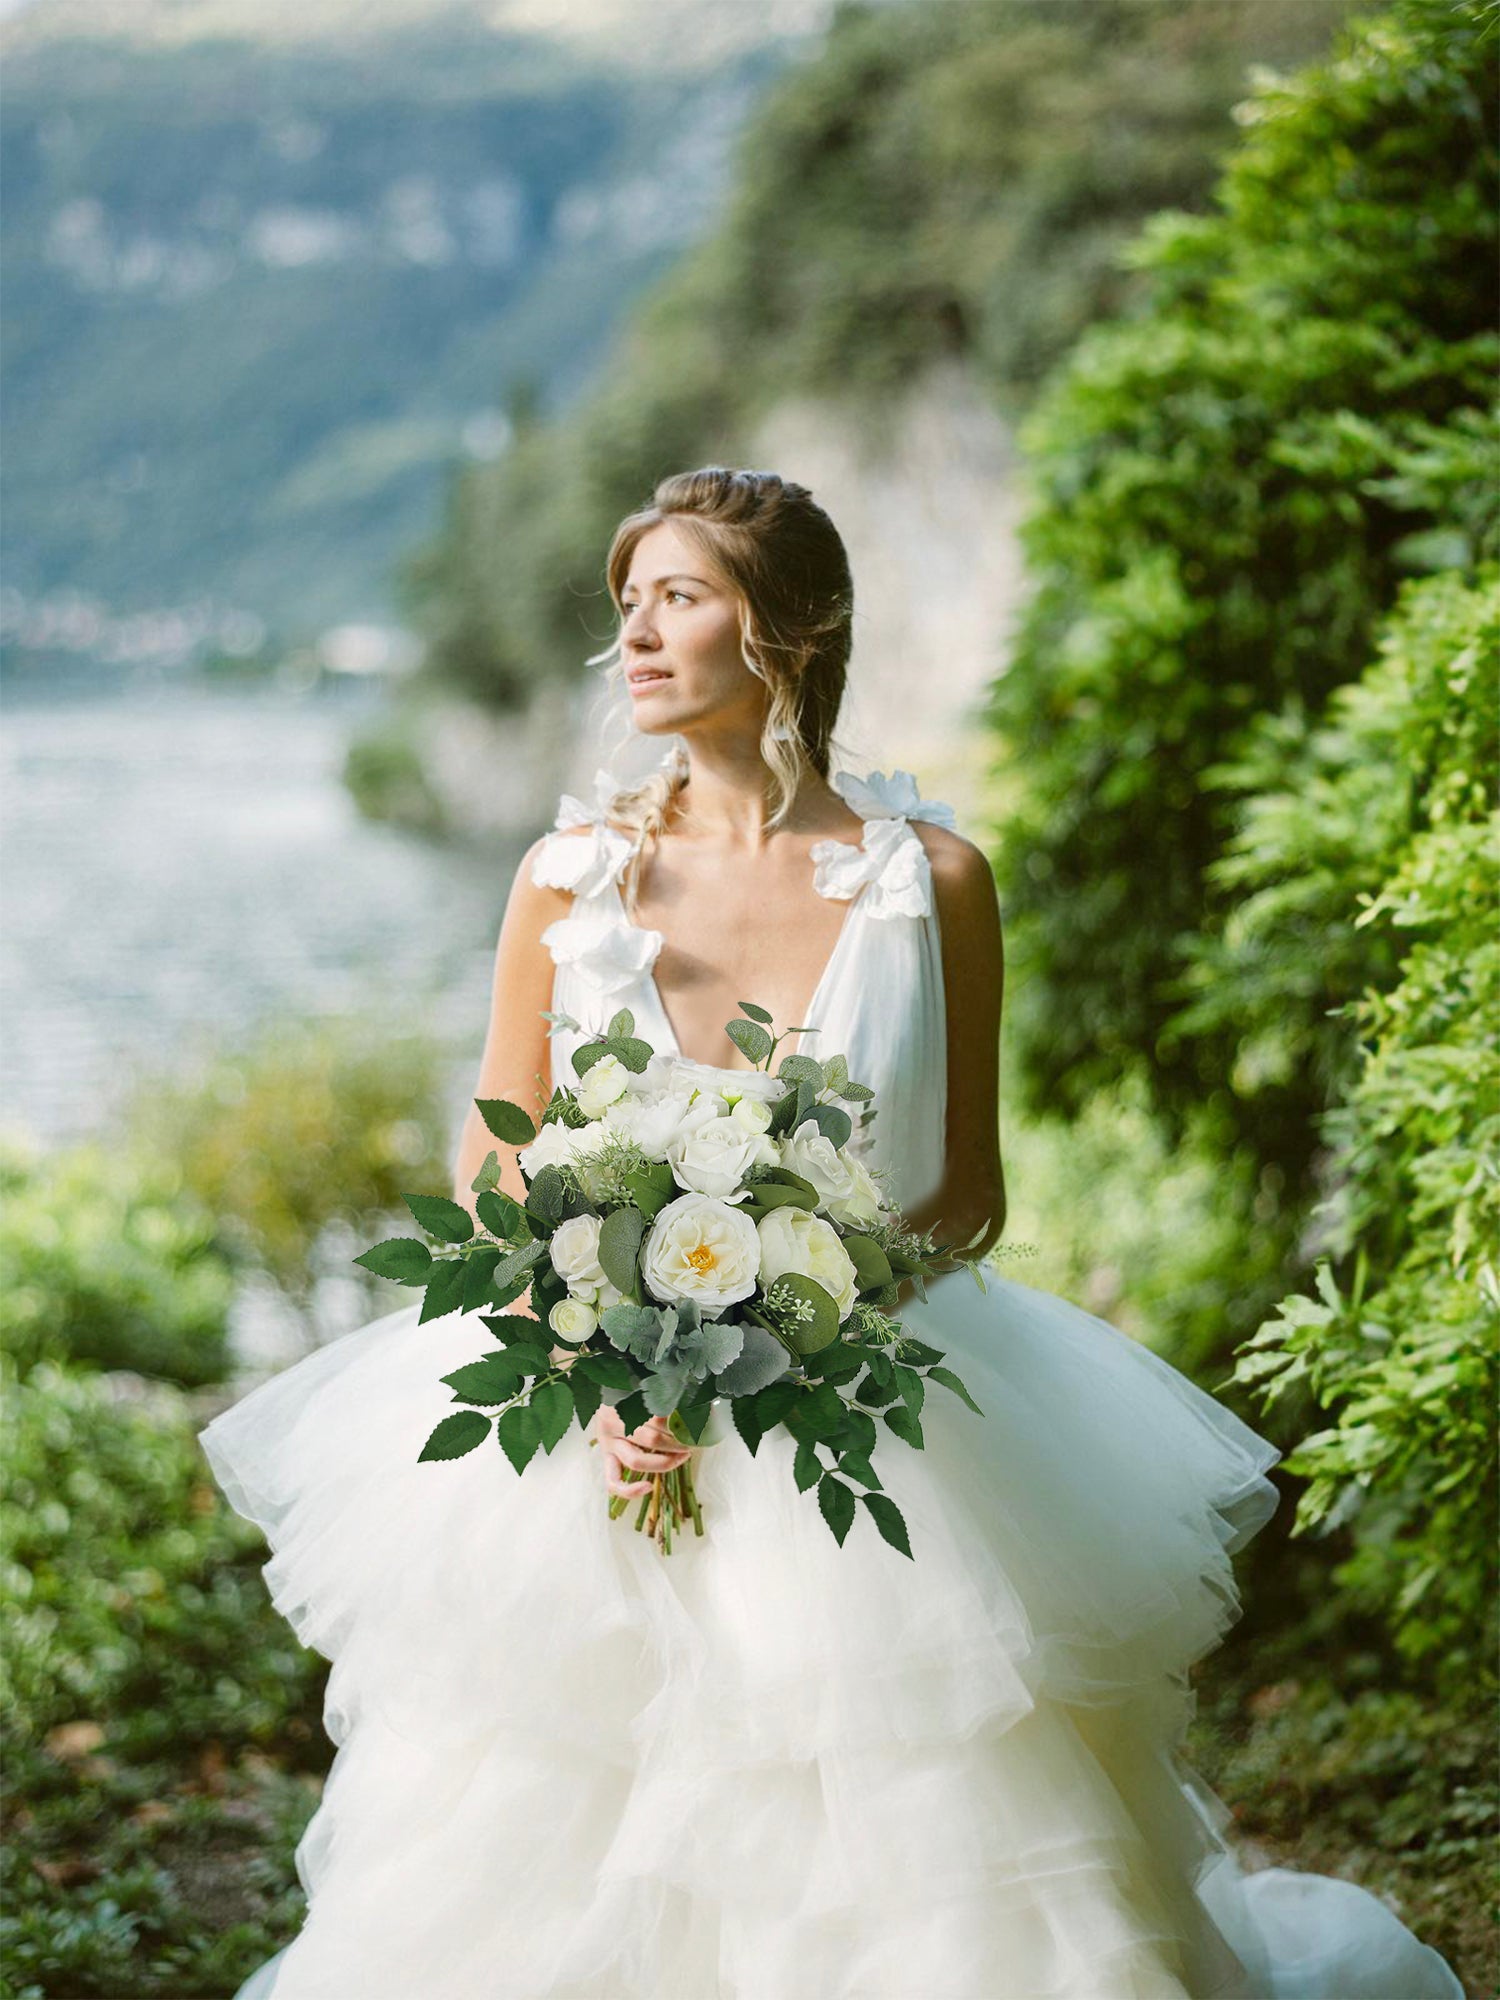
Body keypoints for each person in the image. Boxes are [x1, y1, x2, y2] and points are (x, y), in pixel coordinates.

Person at [201, 468, 1465, 1999]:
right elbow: (495, 1158)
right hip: (593, 1412)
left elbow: (969, 1194)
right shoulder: (564, 880)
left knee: (916, 1826)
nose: (637, 640)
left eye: (680, 597)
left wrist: (783, 1330)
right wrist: (605, 1364)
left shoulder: (932, 882)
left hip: (863, 1409)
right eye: (630, 605)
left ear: (787, 630)